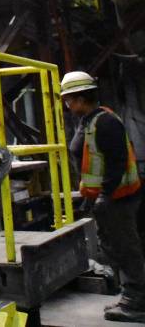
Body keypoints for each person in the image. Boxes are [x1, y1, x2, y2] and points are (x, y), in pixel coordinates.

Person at [63, 70, 145, 323]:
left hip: (118, 199)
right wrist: (91, 197)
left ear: (79, 97)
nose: (67, 103)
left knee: (126, 249)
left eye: (68, 98)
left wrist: (105, 195)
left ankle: (137, 303)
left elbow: (117, 162)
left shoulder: (105, 122)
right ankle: (129, 296)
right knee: (114, 249)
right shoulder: (87, 121)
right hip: (106, 200)